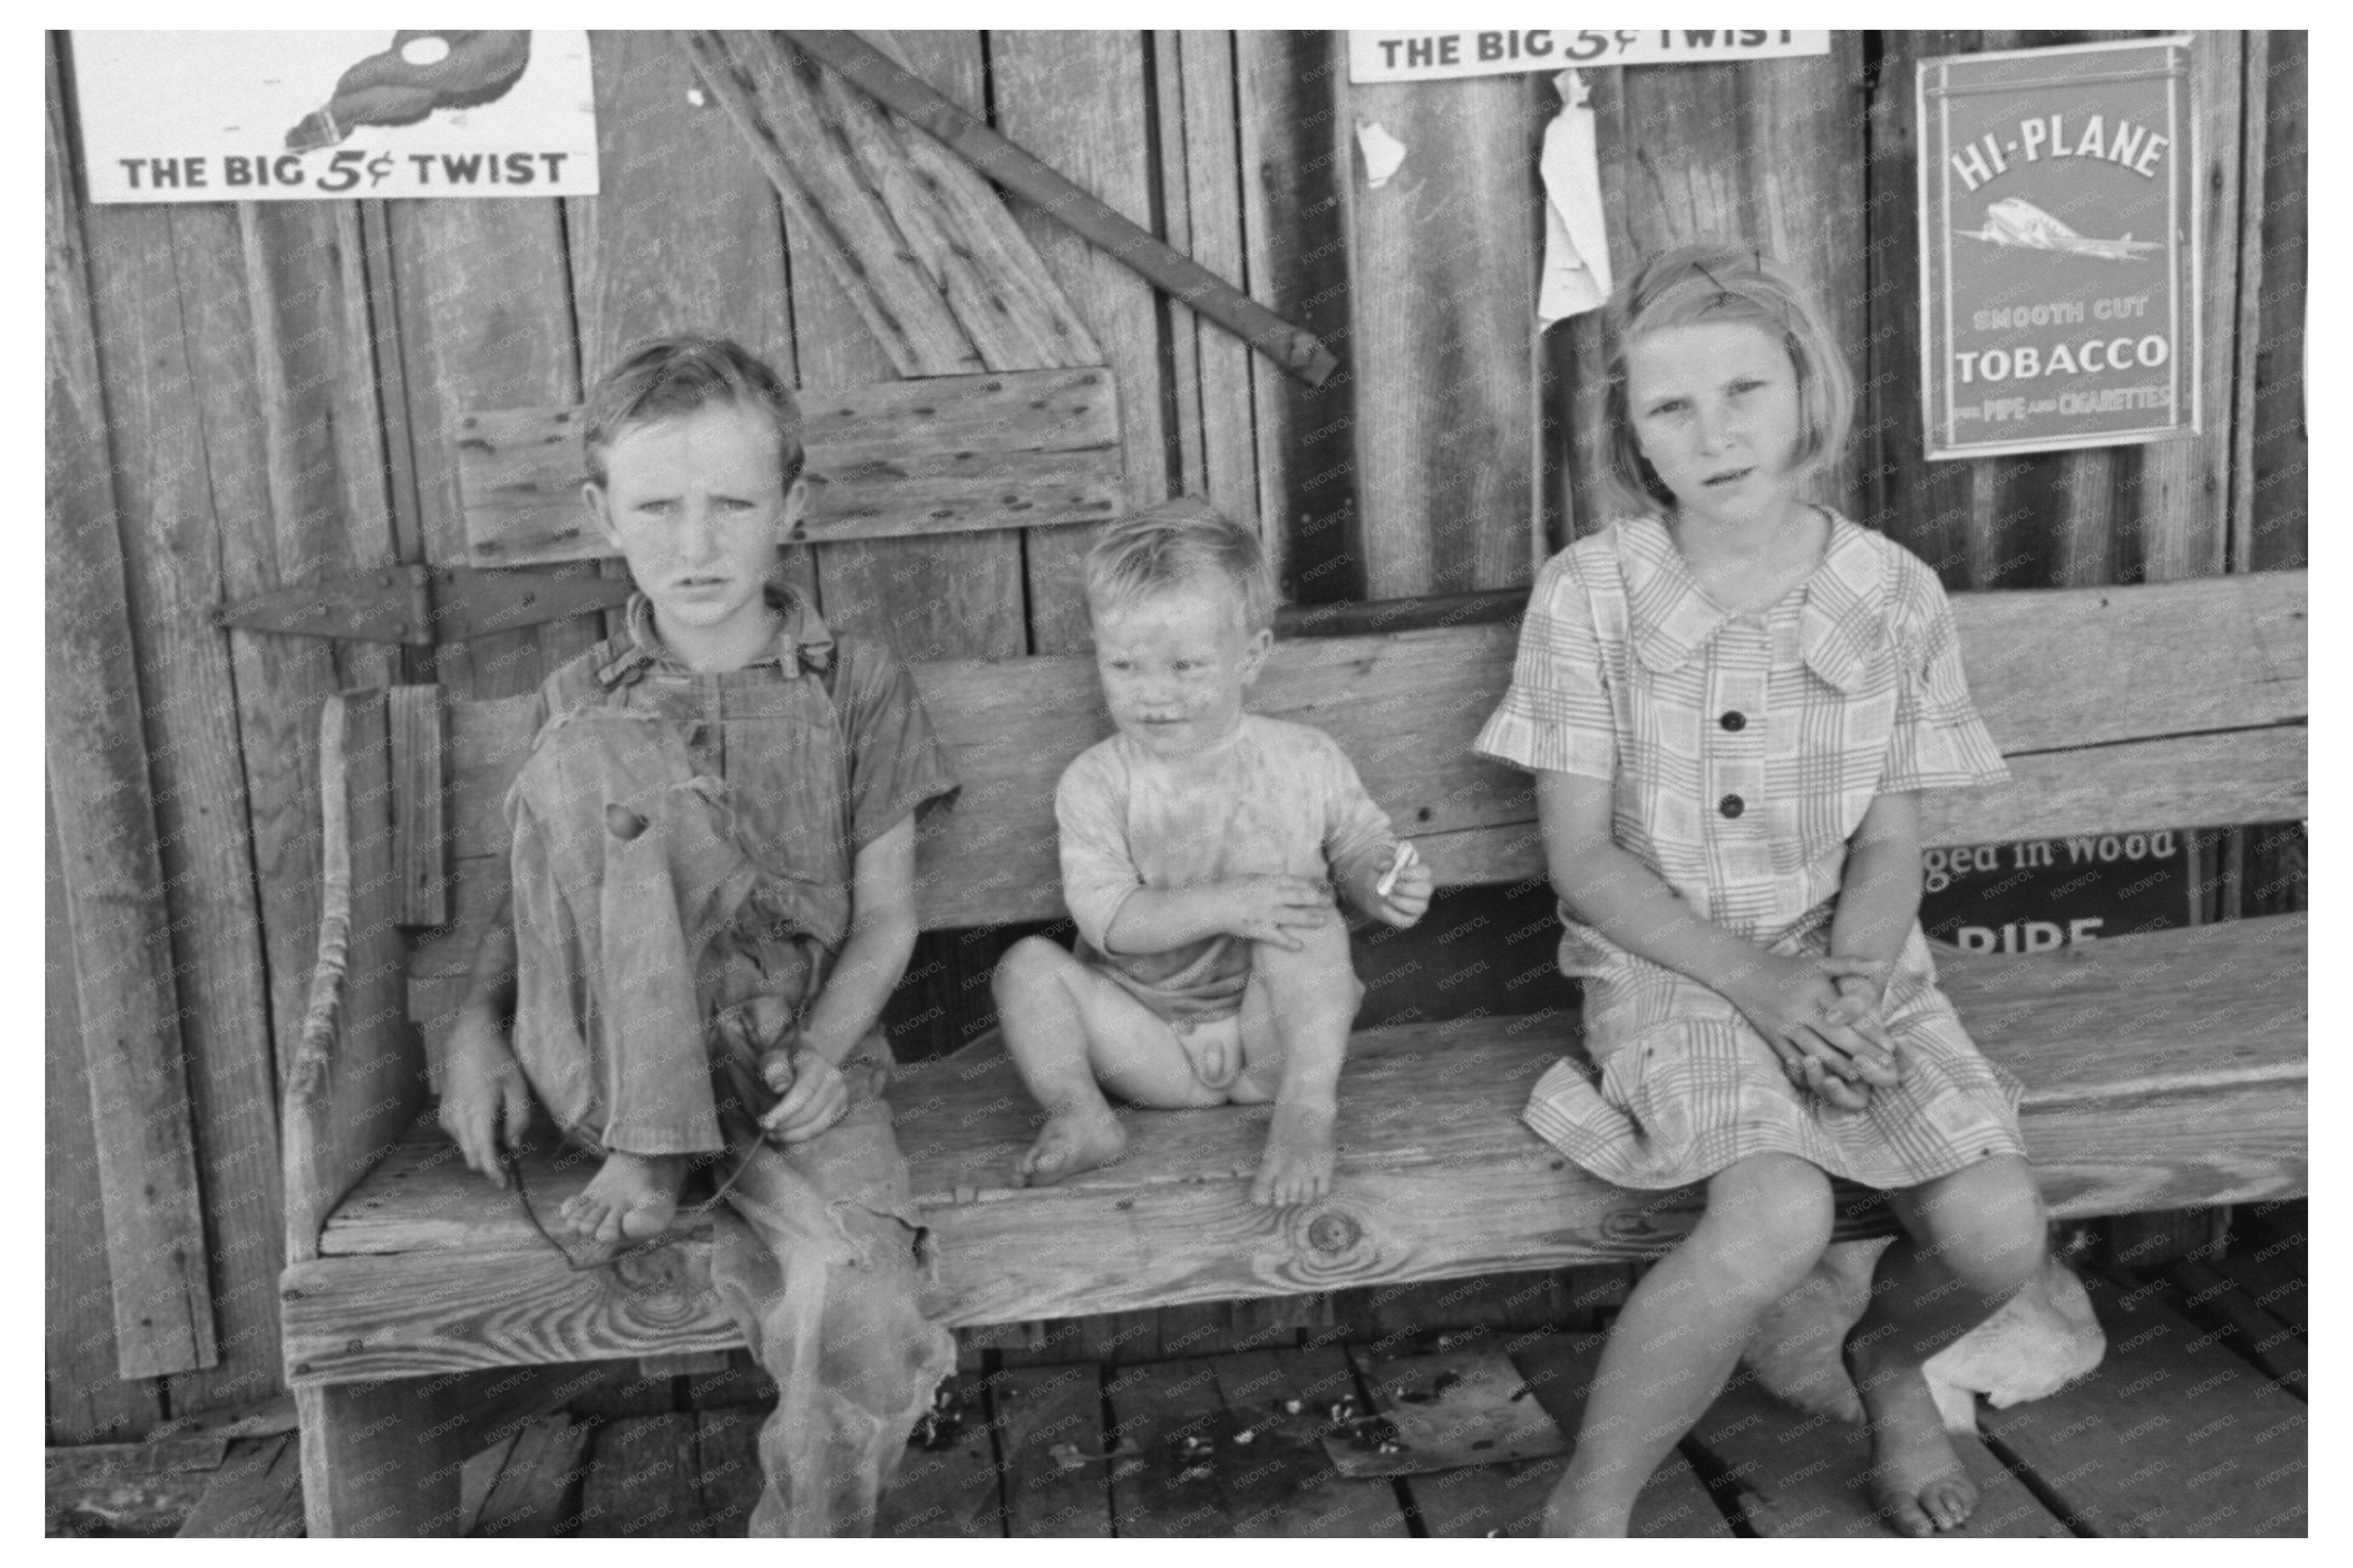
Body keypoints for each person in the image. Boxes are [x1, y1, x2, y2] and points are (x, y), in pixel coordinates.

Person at [1473, 244, 2047, 1538]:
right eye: (1669, 408)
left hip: (1853, 964)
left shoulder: (1890, 593)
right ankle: (1590, 1507)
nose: (1714, 433)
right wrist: (1759, 984)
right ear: (1631, 436)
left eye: (1744, 392)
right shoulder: (1591, 595)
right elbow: (1583, 860)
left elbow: (1890, 846)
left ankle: (1890, 1364)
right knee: (1774, 1214)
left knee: (2000, 1227)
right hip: (1673, 967)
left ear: (1807, 395)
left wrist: (1843, 989)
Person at [435, 336, 959, 1536]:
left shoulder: (857, 684)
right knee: (603, 755)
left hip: (791, 1074)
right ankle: (661, 1144)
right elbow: (533, 905)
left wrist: (827, 1051)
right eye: (657, 507)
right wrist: (474, 1027)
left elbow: (886, 917)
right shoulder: (581, 698)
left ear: (793, 507)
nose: (696, 542)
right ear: (600, 513)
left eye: (731, 505)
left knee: (867, 1314)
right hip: (611, 1084)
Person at [992, 498, 1435, 1206]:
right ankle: (1080, 1113)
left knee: (1310, 919)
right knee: (1024, 970)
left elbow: (1360, 845)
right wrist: (1229, 905)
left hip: (1275, 1041)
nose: (1154, 694)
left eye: (1186, 666)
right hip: (1149, 1048)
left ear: (1250, 657)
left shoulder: (1304, 759)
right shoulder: (1098, 782)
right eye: (1125, 665)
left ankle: (1305, 1109)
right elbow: (1109, 921)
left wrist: (1381, 881)